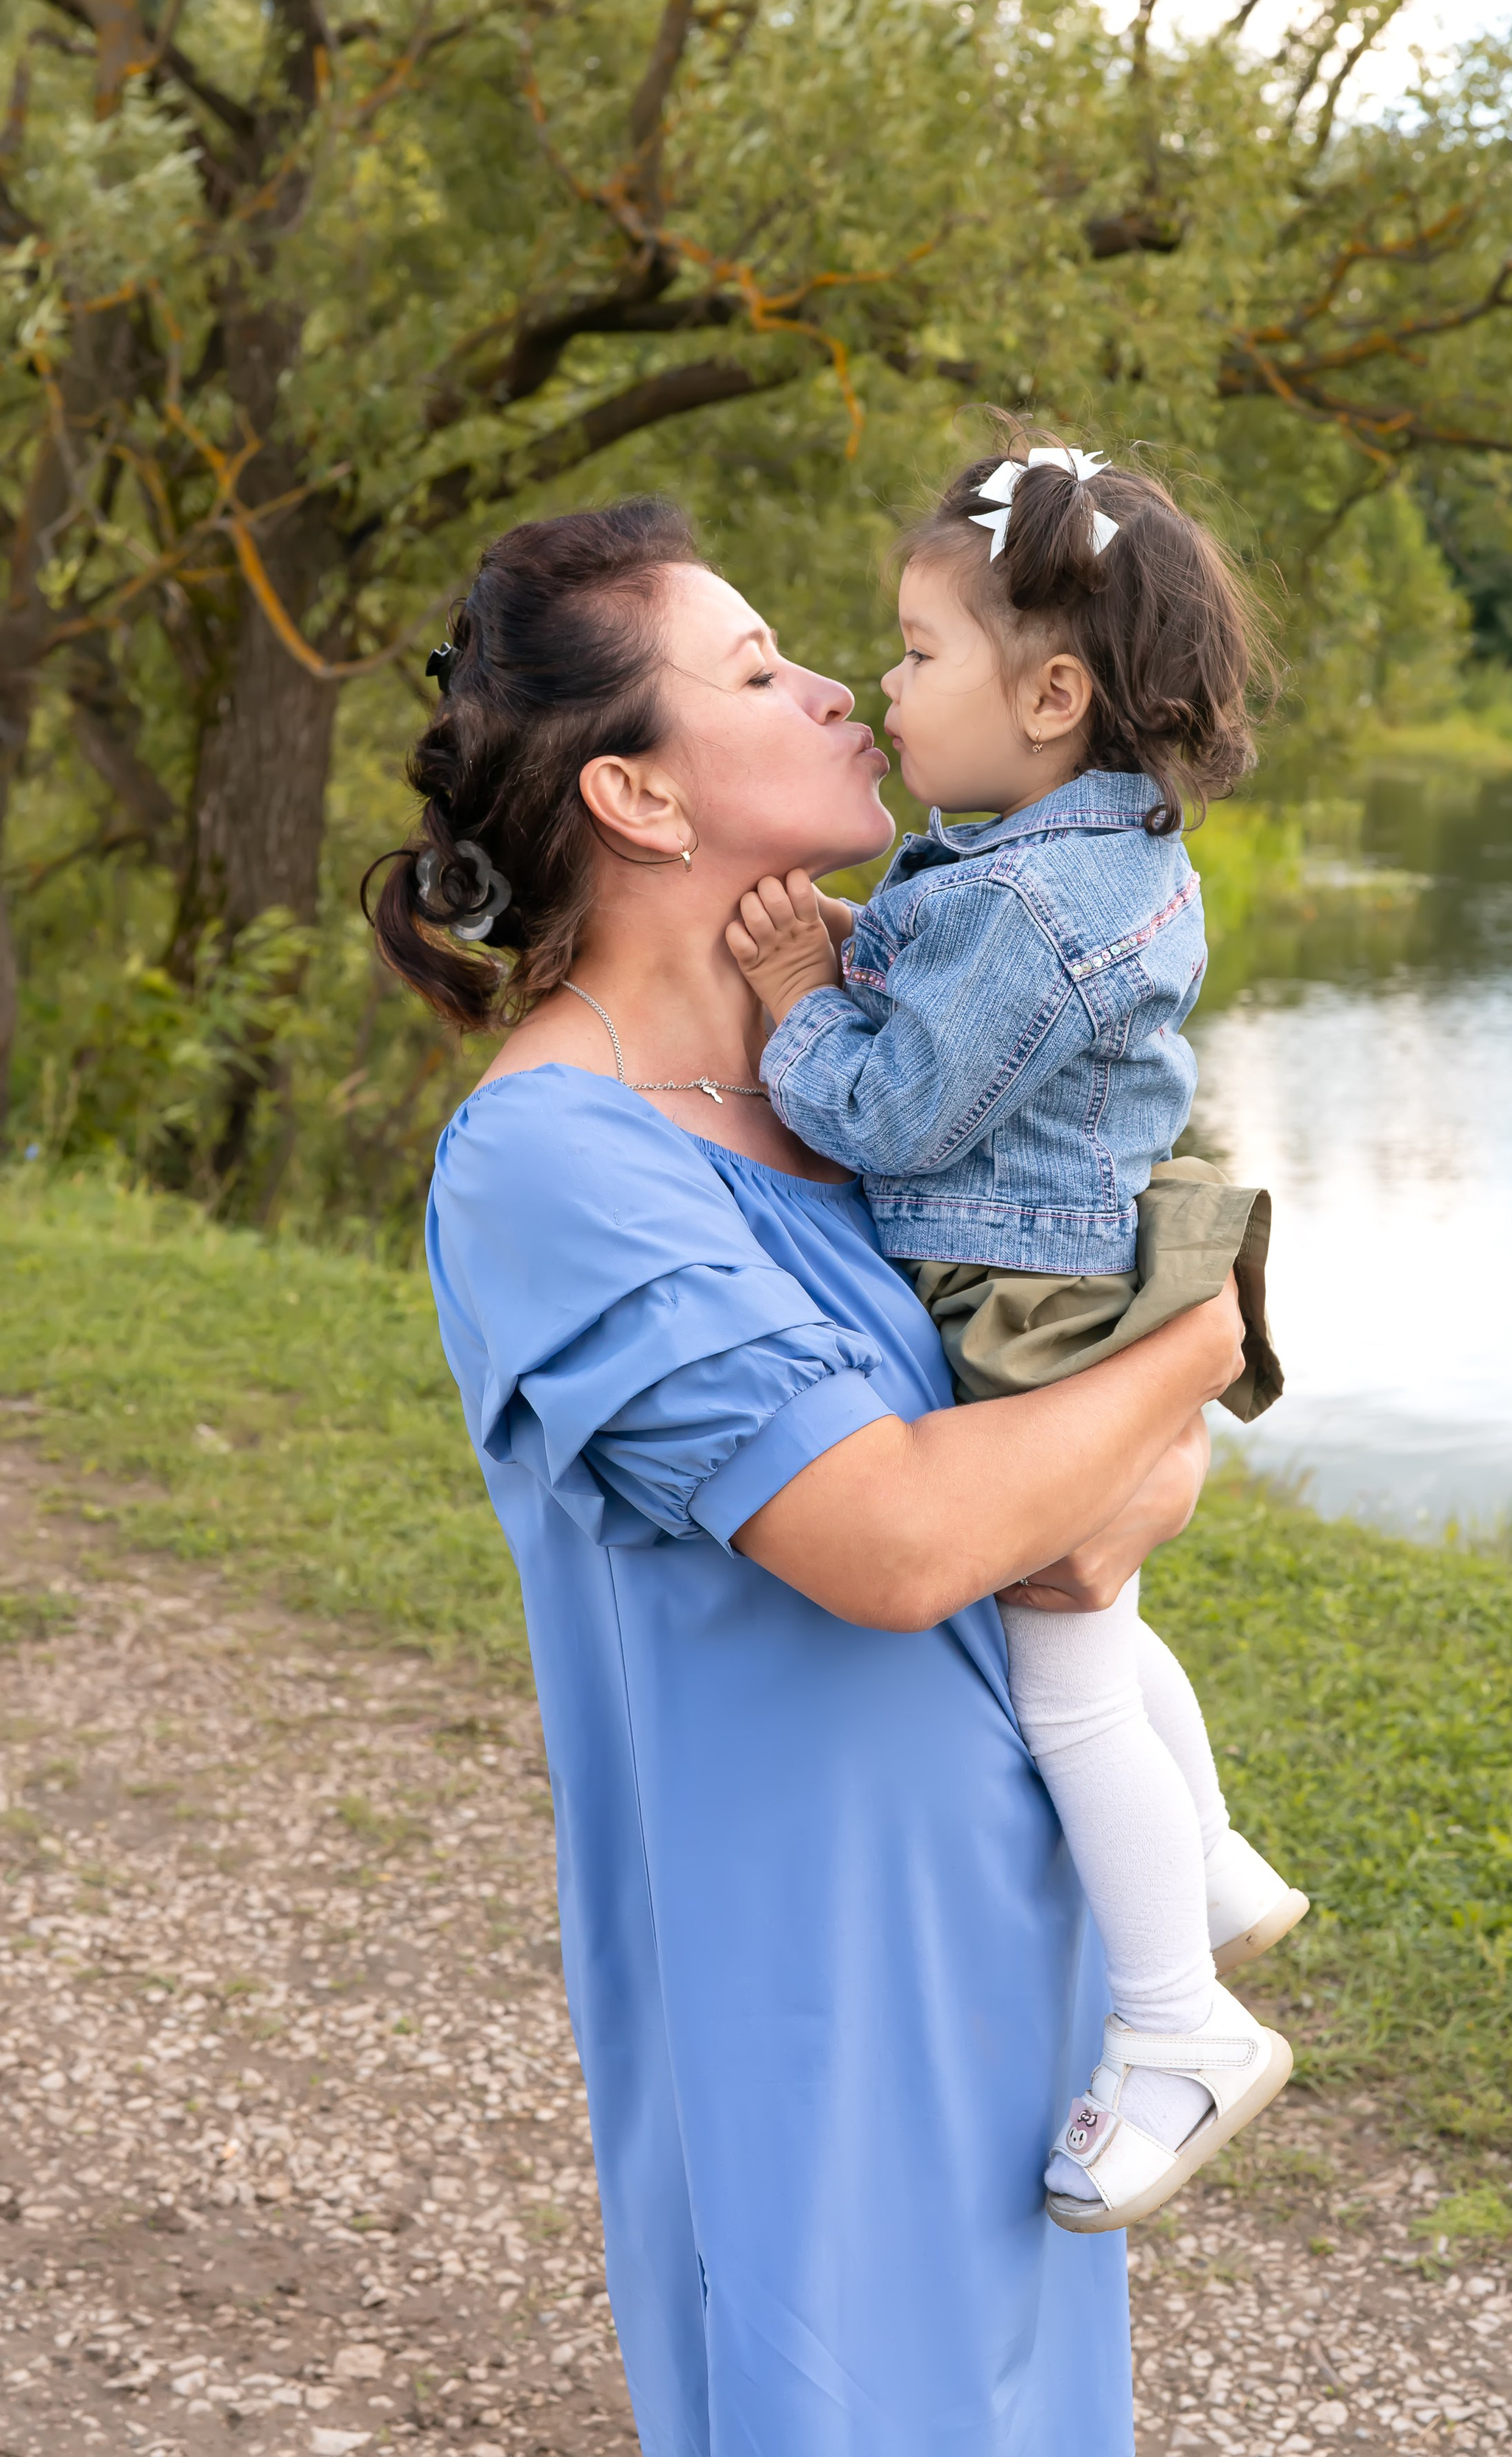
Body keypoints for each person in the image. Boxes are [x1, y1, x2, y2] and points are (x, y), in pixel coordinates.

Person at [364, 496, 1270, 2457]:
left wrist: (1118, 1437)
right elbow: (901, 1533)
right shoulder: (554, 1161)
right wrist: (1206, 1337)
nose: (842, 680)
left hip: (1012, 1945)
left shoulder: (848, 1097)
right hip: (809, 1996)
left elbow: (1125, 1501)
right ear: (641, 793)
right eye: (761, 669)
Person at [725, 440, 1306, 2234]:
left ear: (1049, 692)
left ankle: (1172, 2021)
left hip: (1023, 1307)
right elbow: (969, 1016)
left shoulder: (1028, 900)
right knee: (1107, 1629)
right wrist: (867, 948)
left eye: (912, 653)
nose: (879, 683)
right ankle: (1202, 1861)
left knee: (1065, 1657)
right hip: (1077, 1272)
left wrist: (796, 1002)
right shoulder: (1075, 851)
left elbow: (892, 1117)